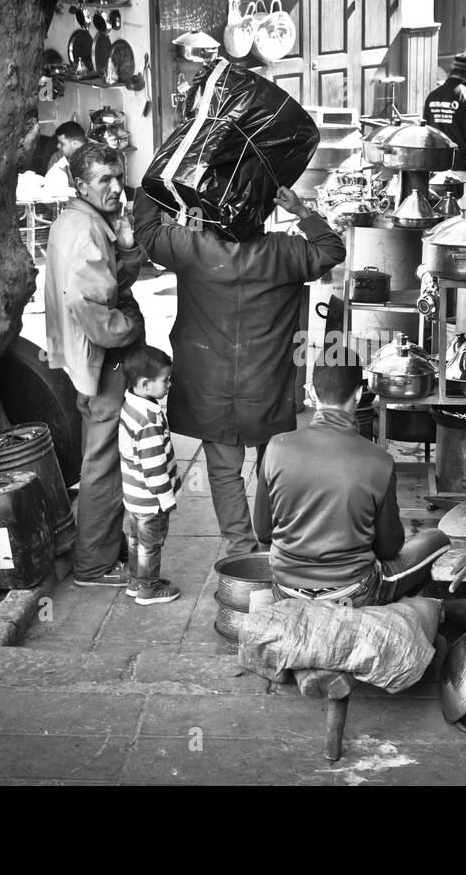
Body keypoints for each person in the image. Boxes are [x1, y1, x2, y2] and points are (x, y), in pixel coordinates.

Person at [132, 184, 344, 560]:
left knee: (224, 470)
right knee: (273, 465)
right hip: (266, 382)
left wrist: (156, 180)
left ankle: (241, 549)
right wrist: (300, 210)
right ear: (263, 213)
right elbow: (332, 248)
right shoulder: (285, 250)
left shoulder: (191, 247)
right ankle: (275, 537)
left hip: (208, 384)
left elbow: (146, 231)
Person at [253, 355, 449, 607]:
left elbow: (263, 531)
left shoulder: (276, 447)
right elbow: (389, 548)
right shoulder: (379, 460)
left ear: (311, 392)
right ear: (358, 395)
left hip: (286, 590)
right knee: (437, 540)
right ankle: (397, 613)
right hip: (354, 593)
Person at [45, 143, 147, 586]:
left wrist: (124, 246)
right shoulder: (85, 229)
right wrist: (130, 327)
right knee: (104, 461)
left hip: (80, 359)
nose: (114, 187)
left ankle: (101, 551)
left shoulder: (78, 221)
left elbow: (105, 283)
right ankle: (95, 564)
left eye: (117, 176)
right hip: (101, 360)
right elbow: (92, 306)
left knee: (100, 455)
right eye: (103, 179)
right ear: (80, 184)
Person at [118, 345, 181, 606]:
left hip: (134, 496)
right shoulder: (149, 422)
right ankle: (148, 588)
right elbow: (154, 468)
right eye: (165, 380)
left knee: (136, 541)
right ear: (145, 384)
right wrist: (166, 499)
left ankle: (135, 581)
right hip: (150, 500)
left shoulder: (132, 404)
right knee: (150, 545)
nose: (169, 384)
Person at [423, 48, 466, 210]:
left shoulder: (433, 96)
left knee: (443, 221)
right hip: (464, 172)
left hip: (437, 172)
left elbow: (426, 133)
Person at [43, 121, 89, 198]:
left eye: (62, 143)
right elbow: (50, 193)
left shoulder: (96, 157)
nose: (58, 146)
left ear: (75, 143)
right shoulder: (57, 158)